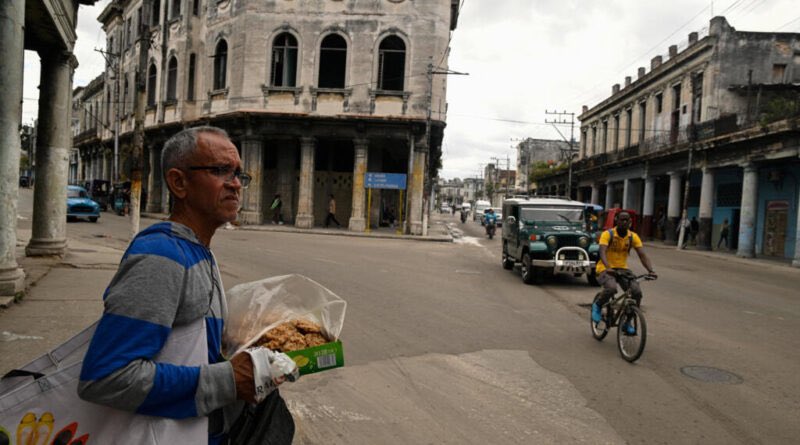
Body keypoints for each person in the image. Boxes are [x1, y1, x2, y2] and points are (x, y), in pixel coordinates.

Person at [78, 127, 298, 444]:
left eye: (238, 174)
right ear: (179, 182)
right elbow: (105, 377)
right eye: (220, 170)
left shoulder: (197, 250)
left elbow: (190, 348)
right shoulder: (161, 257)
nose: (235, 184)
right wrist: (230, 380)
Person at [592, 212, 657, 328]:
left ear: (630, 222)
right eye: (622, 220)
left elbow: (642, 255)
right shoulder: (607, 234)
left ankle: (628, 320)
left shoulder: (633, 237)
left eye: (627, 220)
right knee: (611, 288)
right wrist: (608, 267)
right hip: (605, 268)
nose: (624, 222)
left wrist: (651, 270)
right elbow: (602, 252)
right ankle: (597, 305)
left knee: (636, 292)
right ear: (616, 221)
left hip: (622, 269)